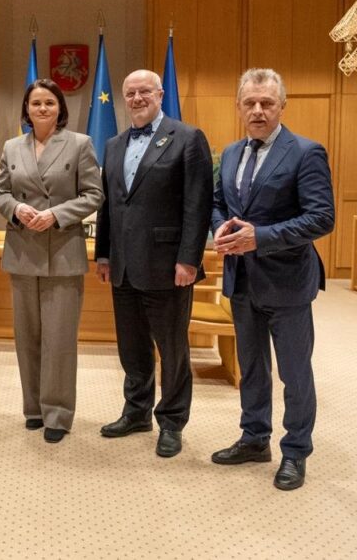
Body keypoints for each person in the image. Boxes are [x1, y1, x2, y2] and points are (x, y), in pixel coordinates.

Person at [210, 68, 334, 491]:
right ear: (239, 106)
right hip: (242, 281)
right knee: (252, 367)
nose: (258, 110)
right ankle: (254, 438)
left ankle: (296, 451)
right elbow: (217, 203)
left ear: (282, 105)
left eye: (266, 102)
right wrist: (220, 229)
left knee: (294, 373)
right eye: (250, 103)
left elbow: (321, 218)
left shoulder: (305, 152)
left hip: (287, 282)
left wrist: (258, 238)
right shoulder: (229, 153)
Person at [95, 69, 213, 458]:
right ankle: (136, 411)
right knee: (132, 347)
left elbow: (197, 205)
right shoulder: (113, 145)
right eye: (130, 93)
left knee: (172, 348)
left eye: (145, 91)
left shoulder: (187, 138)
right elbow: (110, 206)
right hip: (124, 265)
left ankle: (172, 421)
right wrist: (104, 254)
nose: (137, 98)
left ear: (160, 94)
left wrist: (189, 259)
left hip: (168, 265)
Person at [0, 78, 103, 444]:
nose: (42, 109)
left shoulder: (80, 144)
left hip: (62, 252)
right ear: (26, 109)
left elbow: (93, 194)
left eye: (49, 103)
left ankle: (57, 412)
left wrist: (56, 214)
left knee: (59, 339)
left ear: (60, 109)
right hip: (23, 250)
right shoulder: (12, 146)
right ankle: (33, 409)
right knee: (27, 337)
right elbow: (0, 192)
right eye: (35, 103)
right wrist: (16, 208)